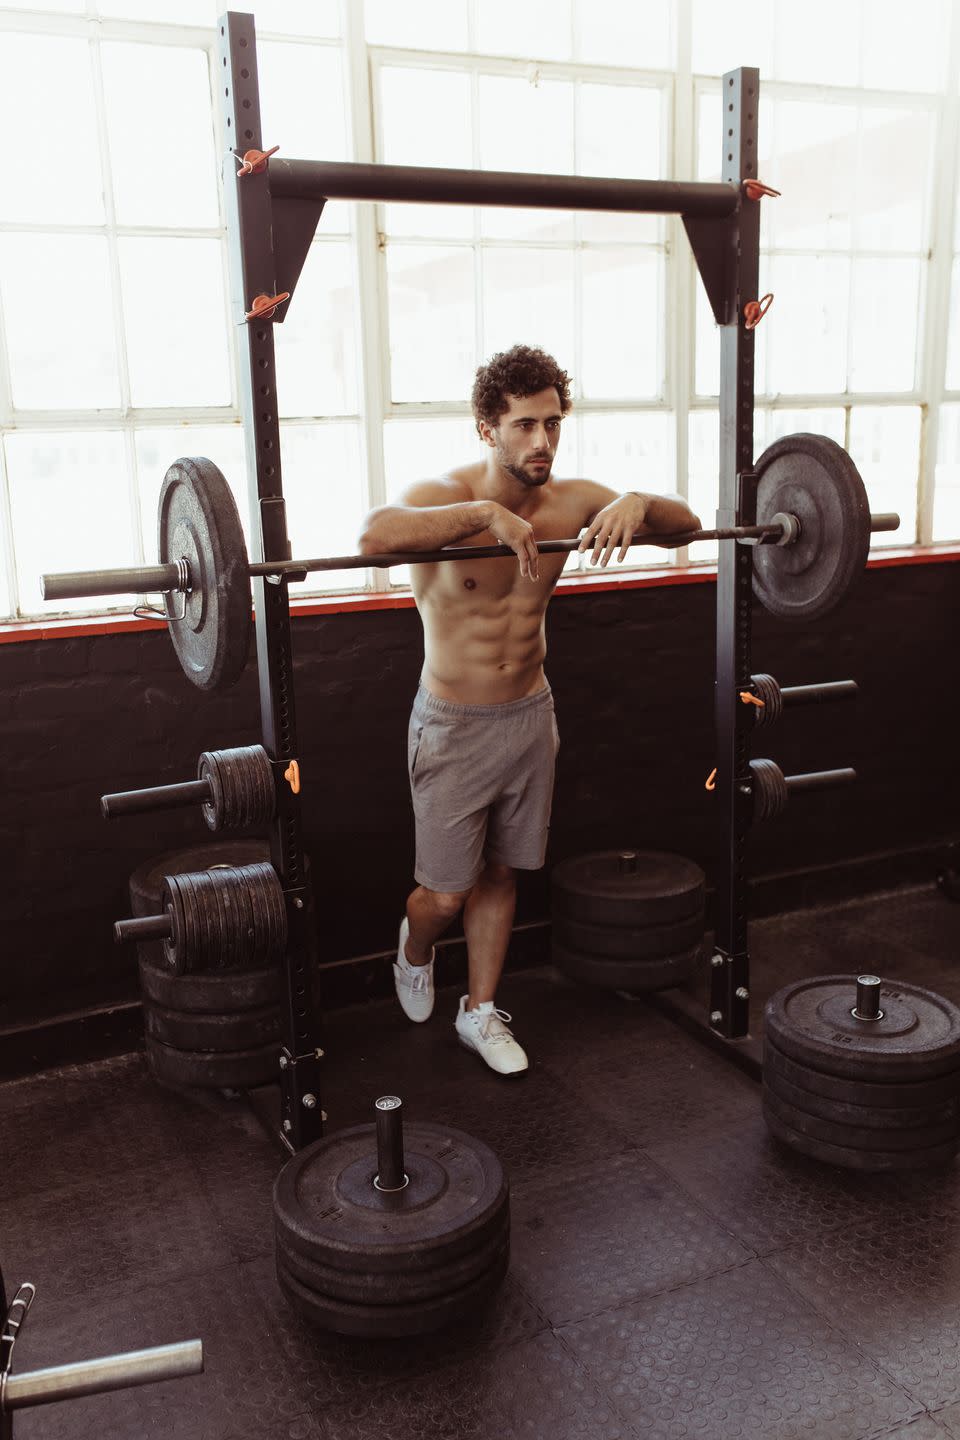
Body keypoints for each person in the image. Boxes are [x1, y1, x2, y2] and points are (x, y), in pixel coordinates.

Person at [358, 344, 701, 1077]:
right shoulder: (441, 495)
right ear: (488, 428)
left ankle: (479, 1010)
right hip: (452, 725)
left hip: (529, 717)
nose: (541, 441)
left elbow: (688, 526)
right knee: (444, 895)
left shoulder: (571, 500)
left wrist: (637, 502)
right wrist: (482, 514)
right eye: (522, 426)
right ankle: (413, 953)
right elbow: (373, 537)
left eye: (551, 423)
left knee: (505, 874)